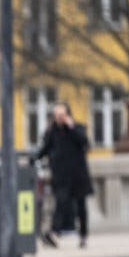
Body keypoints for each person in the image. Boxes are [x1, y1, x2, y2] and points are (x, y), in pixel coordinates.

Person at [36, 102, 93, 248]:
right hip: (61, 176)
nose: (59, 118)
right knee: (60, 203)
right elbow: (44, 149)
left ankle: (84, 235)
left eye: (62, 115)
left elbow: (85, 143)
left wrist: (71, 126)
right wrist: (32, 159)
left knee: (81, 206)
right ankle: (54, 233)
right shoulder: (52, 132)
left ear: (67, 115)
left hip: (78, 175)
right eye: (56, 115)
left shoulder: (77, 128)